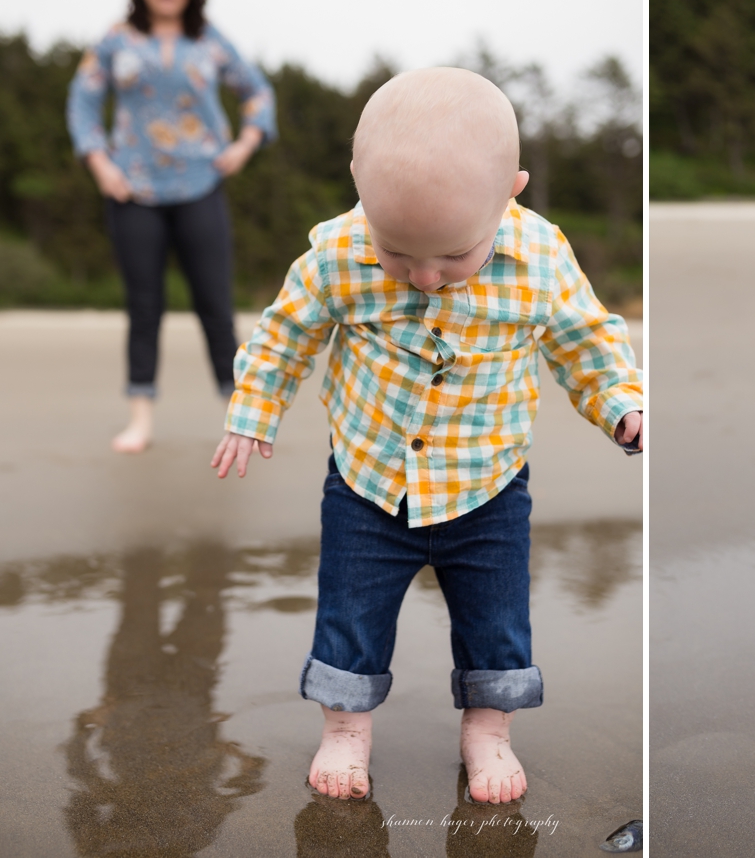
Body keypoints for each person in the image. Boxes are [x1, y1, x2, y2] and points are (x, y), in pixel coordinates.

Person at [208, 67, 642, 803]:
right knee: (350, 609)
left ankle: (488, 729)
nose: (426, 278)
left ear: (512, 189)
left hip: (489, 483)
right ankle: (346, 728)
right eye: (399, 256)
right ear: (359, 184)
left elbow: (587, 341)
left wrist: (624, 405)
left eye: (452, 257)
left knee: (497, 617)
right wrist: (254, 408)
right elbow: (285, 334)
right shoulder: (340, 250)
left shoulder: (540, 257)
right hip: (368, 479)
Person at [67, 0, 276, 452]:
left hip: (200, 185)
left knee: (214, 303)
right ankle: (140, 419)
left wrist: (245, 144)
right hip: (132, 188)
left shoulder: (208, 40)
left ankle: (239, 418)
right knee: (144, 305)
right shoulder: (116, 40)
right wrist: (99, 163)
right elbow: (82, 102)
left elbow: (258, 92)